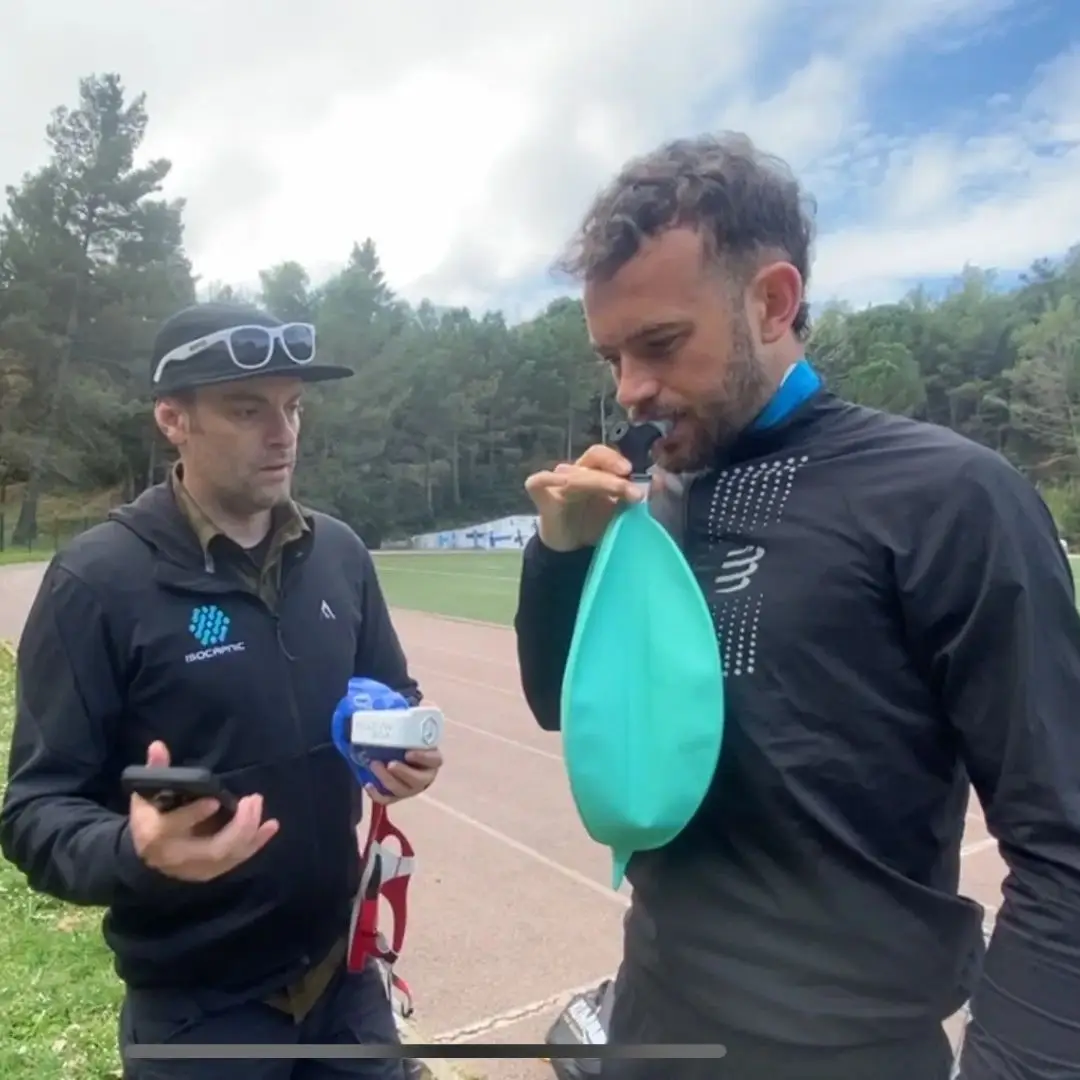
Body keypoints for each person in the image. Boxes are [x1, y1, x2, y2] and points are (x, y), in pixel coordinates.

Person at [513, 133, 1080, 1079]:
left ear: (772, 302)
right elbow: (564, 708)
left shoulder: (947, 495)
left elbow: (1064, 841)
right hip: (655, 1020)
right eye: (611, 357)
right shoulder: (657, 498)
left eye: (659, 344)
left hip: (841, 1051)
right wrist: (563, 554)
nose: (632, 391)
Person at [0, 302, 443, 1079]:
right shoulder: (97, 582)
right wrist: (134, 850)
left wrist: (402, 752)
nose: (283, 434)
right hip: (199, 1017)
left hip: (345, 988)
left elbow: (392, 691)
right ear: (173, 418)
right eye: (248, 409)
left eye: (293, 407)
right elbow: (34, 810)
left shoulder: (338, 554)